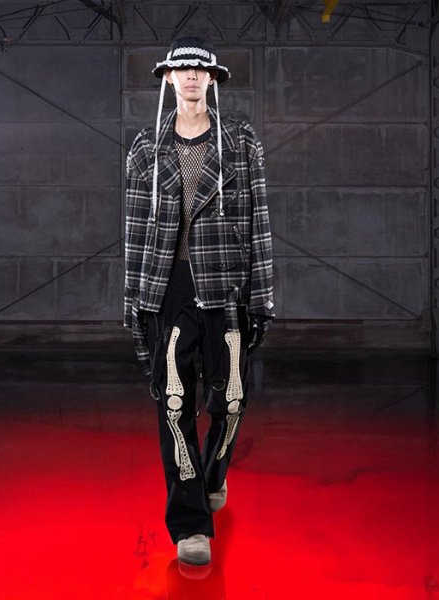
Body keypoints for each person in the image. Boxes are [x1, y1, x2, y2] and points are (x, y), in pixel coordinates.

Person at [123, 36, 275, 566]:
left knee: (230, 401)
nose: (190, 76)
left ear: (212, 78)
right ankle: (190, 524)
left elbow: (258, 219)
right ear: (168, 77)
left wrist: (262, 298)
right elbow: (134, 230)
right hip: (168, 285)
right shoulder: (147, 147)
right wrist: (134, 304)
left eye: (199, 69)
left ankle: (212, 475)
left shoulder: (240, 142)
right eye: (181, 68)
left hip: (225, 283)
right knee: (173, 402)